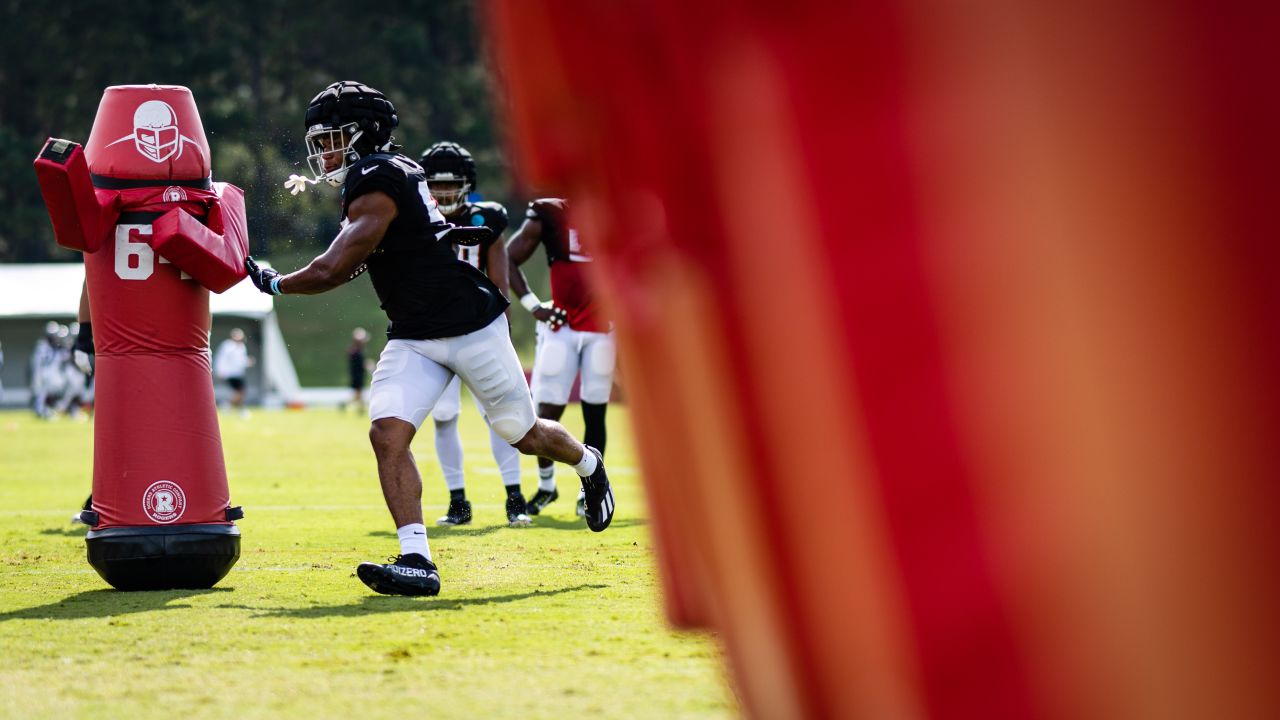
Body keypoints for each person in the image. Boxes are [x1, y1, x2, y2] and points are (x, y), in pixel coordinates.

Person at [244, 81, 614, 598]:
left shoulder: (376, 177)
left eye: (331, 138)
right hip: (415, 333)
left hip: (469, 325)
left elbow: (335, 267)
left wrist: (276, 281)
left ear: (362, 134)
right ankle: (417, 559)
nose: (323, 151)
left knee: (523, 434)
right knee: (386, 435)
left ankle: (589, 465)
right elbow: (358, 257)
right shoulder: (378, 173)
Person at [419, 140, 528, 528]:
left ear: (468, 184)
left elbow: (499, 279)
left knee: (499, 415)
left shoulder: (487, 218)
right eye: (437, 184)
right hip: (435, 330)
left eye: (452, 184)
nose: (445, 192)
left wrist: (506, 333)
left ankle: (515, 498)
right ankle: (458, 502)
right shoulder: (415, 219)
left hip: (482, 331)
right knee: (445, 417)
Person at [508, 198, 617, 519]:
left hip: (602, 327)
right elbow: (508, 257)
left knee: (594, 411)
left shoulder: (617, 206)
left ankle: (591, 491)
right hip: (561, 326)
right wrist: (532, 304)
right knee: (546, 411)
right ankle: (546, 486)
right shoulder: (551, 212)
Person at [213, 328, 252, 416]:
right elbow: (221, 358)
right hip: (230, 373)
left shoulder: (242, 347)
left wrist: (247, 362)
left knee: (240, 392)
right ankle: (229, 406)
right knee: (240, 391)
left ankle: (236, 408)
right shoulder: (227, 345)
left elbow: (240, 361)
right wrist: (220, 371)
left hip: (238, 373)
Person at [345, 327, 370, 413]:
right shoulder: (356, 351)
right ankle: (359, 409)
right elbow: (359, 364)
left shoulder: (355, 350)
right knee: (358, 394)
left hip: (358, 375)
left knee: (358, 394)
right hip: (357, 375)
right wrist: (367, 365)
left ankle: (360, 409)